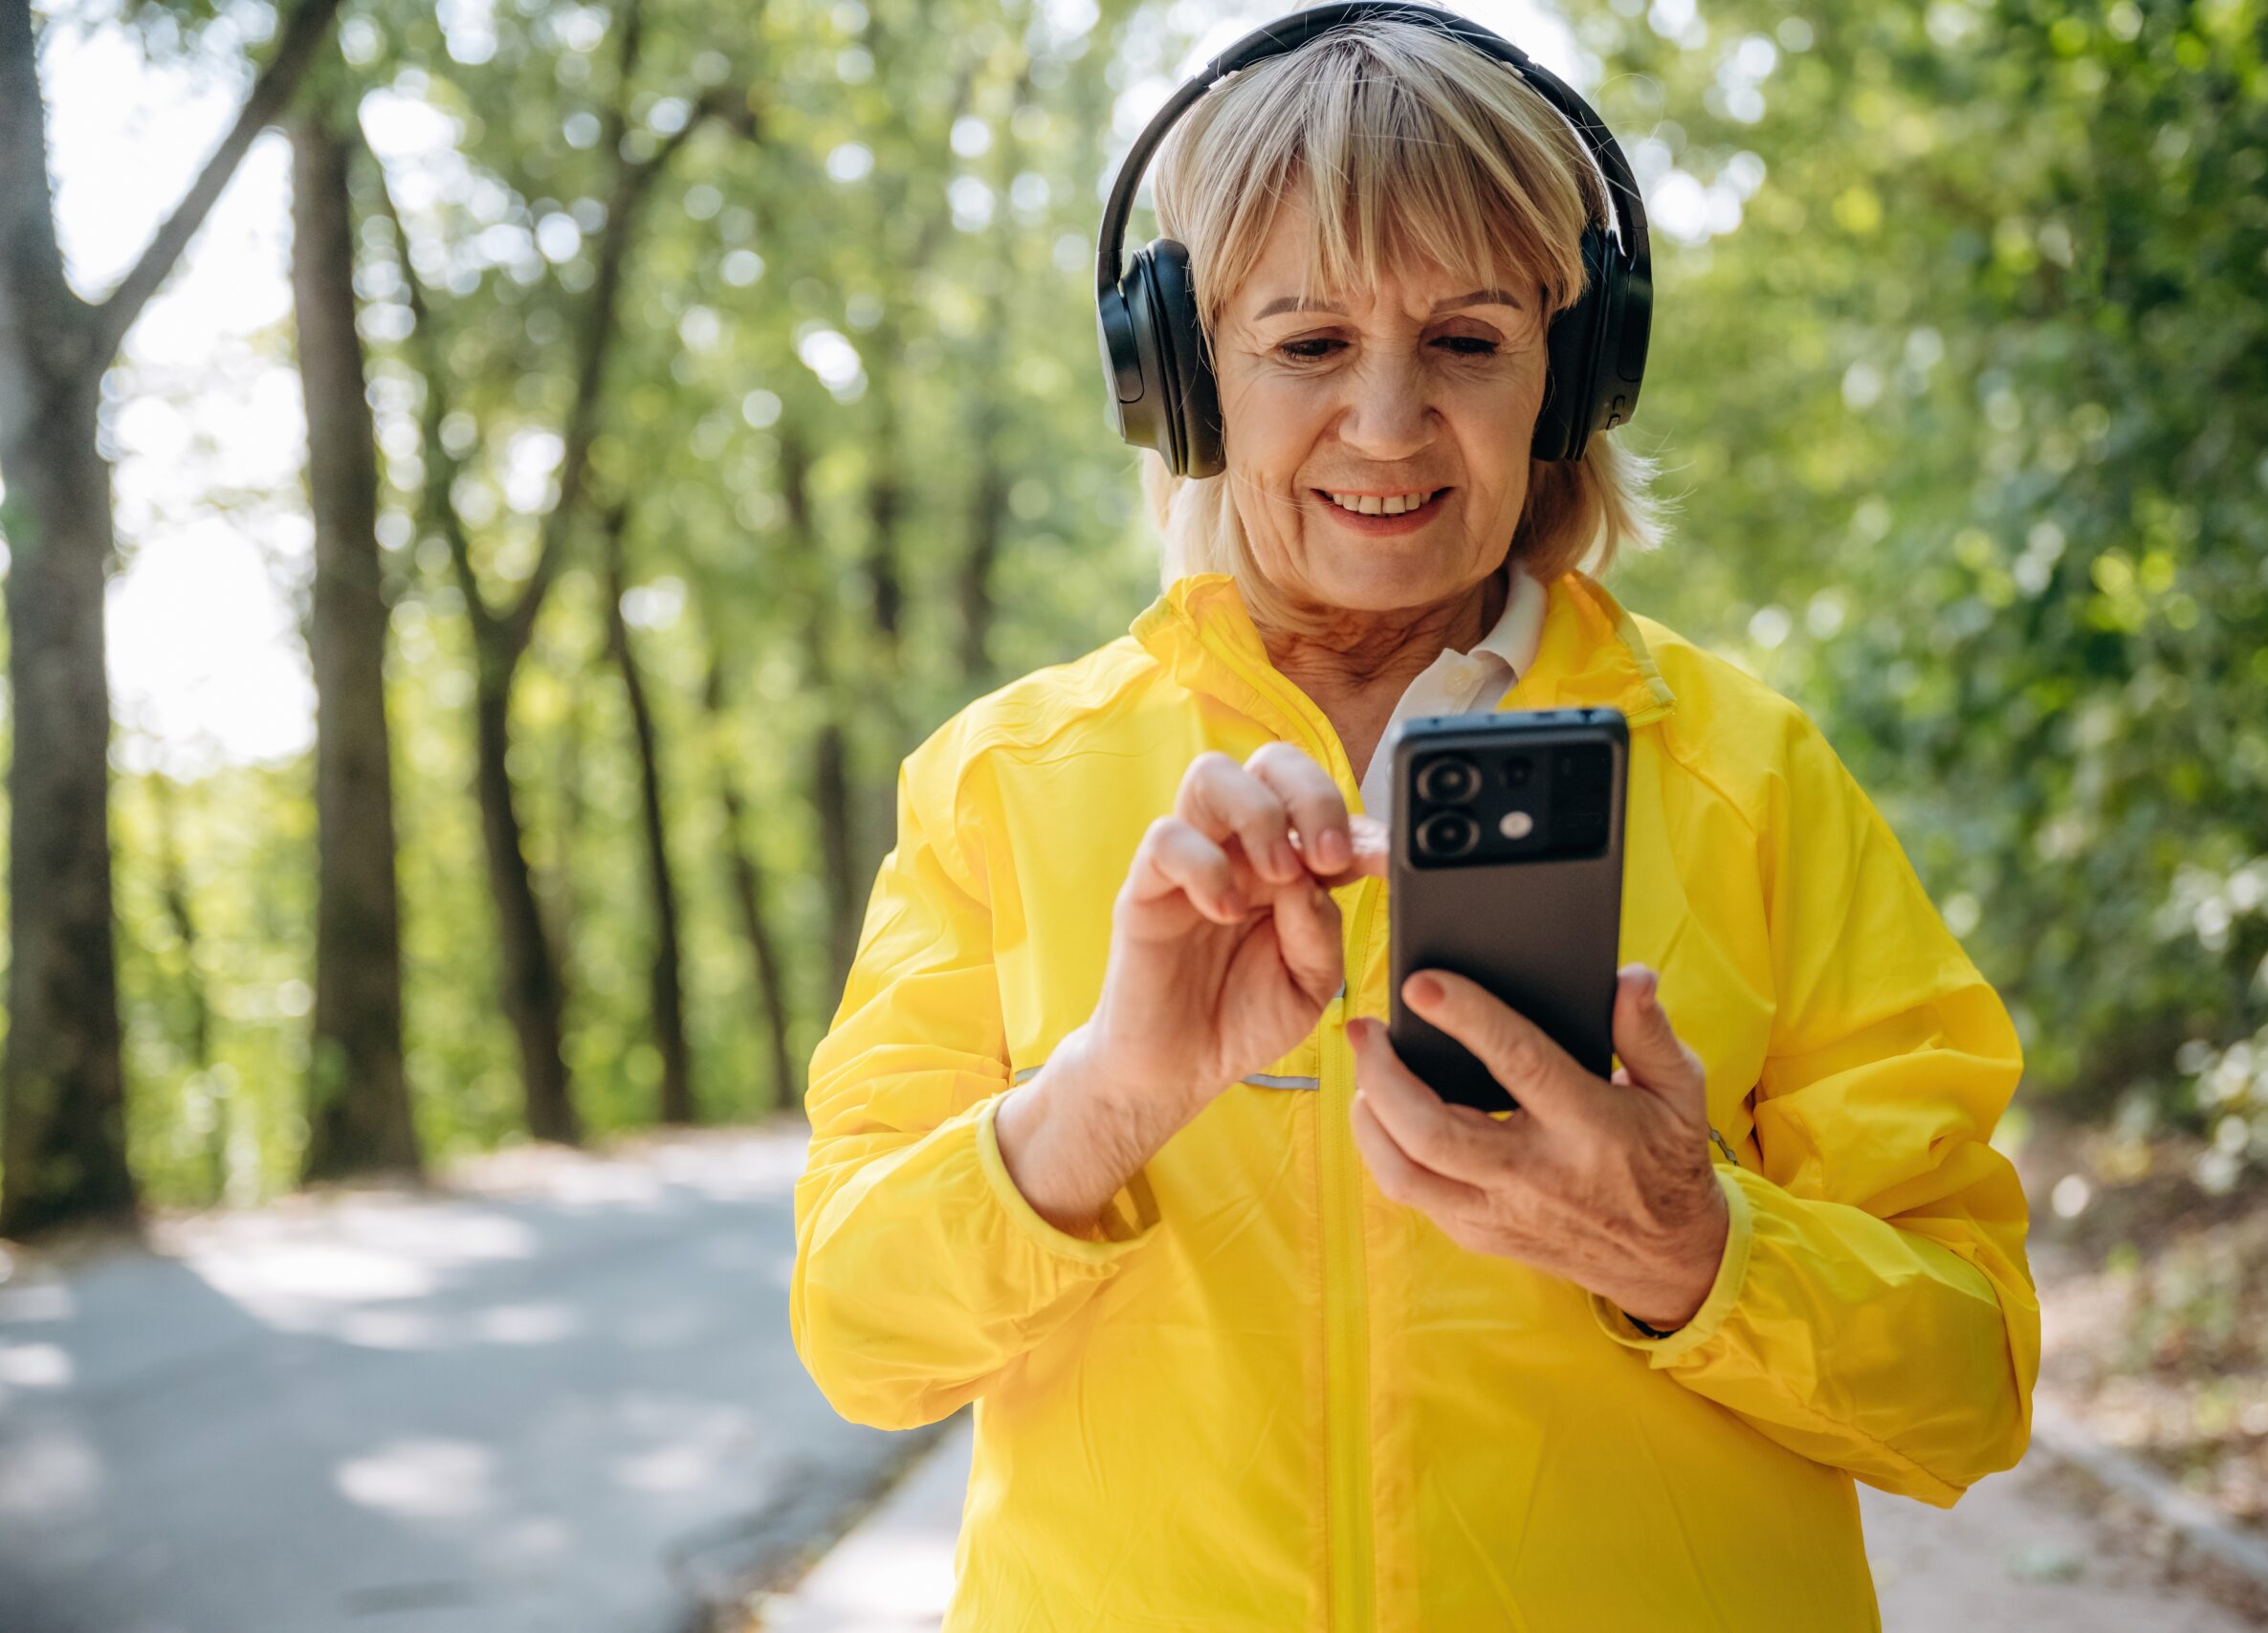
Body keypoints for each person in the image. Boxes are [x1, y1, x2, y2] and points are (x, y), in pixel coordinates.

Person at [790, 8, 2038, 1628]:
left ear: (1568, 372)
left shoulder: (1752, 778)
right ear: (1185, 378)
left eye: (1466, 338)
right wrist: (1103, 1100)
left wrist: (1694, 1250)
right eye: (1307, 344)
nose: (1387, 423)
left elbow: (1972, 1388)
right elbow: (859, 1341)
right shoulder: (998, 783)